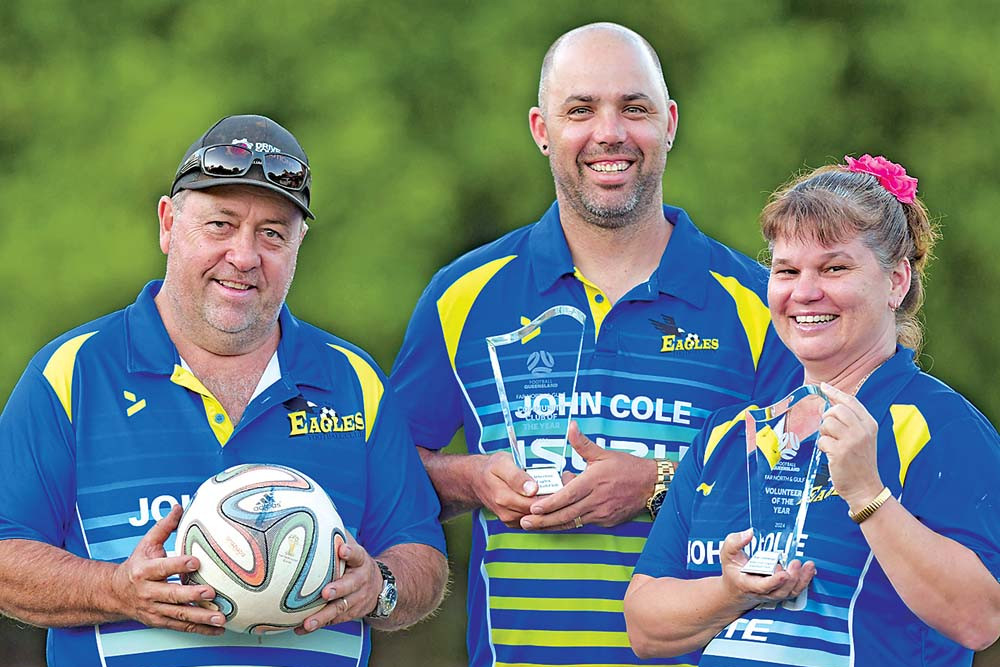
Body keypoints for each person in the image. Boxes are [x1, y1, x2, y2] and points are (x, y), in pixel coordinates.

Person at [390, 23, 800, 667]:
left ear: (668, 123)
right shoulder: (462, 296)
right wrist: (472, 477)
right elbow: (388, 476)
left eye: (633, 108)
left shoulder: (760, 305)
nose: (609, 132)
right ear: (541, 129)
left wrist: (658, 486)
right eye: (580, 109)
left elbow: (810, 492)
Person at [0, 114, 448, 667]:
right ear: (168, 224)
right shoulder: (72, 373)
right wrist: (115, 590)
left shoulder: (353, 380)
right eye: (220, 224)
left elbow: (421, 553)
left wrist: (378, 586)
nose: (244, 256)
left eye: (273, 234)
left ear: (298, 245)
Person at [624, 154, 1000, 666]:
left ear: (896, 282)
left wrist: (868, 495)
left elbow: (980, 620)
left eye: (835, 268)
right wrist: (733, 593)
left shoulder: (941, 426)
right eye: (786, 270)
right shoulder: (728, 436)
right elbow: (645, 628)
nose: (804, 292)